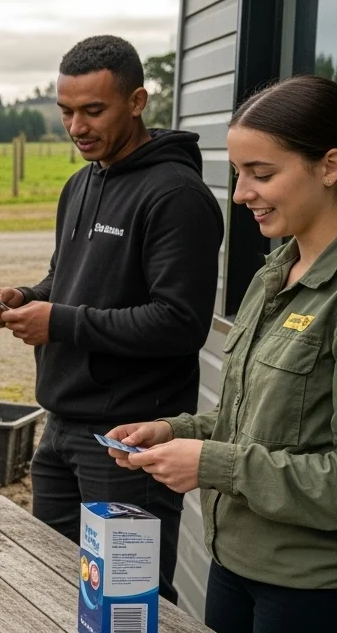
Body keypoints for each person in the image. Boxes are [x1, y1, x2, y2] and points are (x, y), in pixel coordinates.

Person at [0, 35, 223, 603]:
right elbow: (66, 281)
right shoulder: (81, 182)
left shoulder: (176, 196)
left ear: (137, 101)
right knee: (51, 592)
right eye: (66, 111)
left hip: (128, 439)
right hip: (61, 424)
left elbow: (180, 323)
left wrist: (58, 321)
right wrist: (23, 296)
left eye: (93, 110)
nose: (76, 126)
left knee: (124, 603)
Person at [107, 74, 337, 633]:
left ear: (330, 165)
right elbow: (256, 417)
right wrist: (174, 430)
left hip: (311, 591)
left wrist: (212, 464)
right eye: (238, 174)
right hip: (233, 565)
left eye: (262, 174)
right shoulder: (272, 273)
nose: (240, 195)